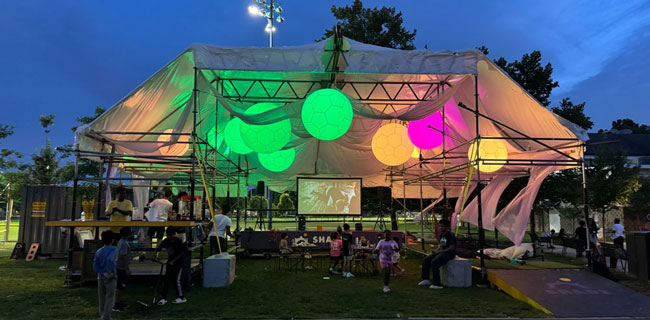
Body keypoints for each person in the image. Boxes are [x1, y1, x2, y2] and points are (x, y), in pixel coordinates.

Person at [418, 218, 456, 289]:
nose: (440, 228)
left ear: (447, 227)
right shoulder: (442, 235)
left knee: (435, 262)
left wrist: (439, 252)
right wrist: (436, 250)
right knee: (426, 260)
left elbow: (451, 248)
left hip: (449, 254)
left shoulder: (450, 235)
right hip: (442, 252)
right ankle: (426, 279)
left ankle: (437, 284)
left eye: (442, 226)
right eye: (440, 226)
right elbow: (441, 245)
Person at [155, 227, 187, 305]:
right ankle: (164, 298)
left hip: (179, 263)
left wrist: (173, 261)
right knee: (166, 280)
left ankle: (182, 297)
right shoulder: (166, 241)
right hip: (170, 263)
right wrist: (155, 255)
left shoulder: (178, 241)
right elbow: (160, 247)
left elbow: (182, 253)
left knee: (177, 280)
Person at [93, 231, 117, 320]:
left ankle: (102, 314)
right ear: (113, 240)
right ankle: (106, 317)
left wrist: (102, 272)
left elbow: (95, 265)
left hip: (100, 277)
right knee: (110, 297)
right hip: (110, 276)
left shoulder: (99, 251)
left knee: (101, 297)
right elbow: (110, 260)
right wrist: (109, 272)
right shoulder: (114, 249)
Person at [113, 227, 132, 312]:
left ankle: (118, 301)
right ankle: (116, 304)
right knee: (119, 287)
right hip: (121, 267)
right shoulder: (124, 243)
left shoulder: (121, 242)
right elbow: (123, 256)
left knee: (120, 286)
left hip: (119, 266)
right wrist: (127, 269)